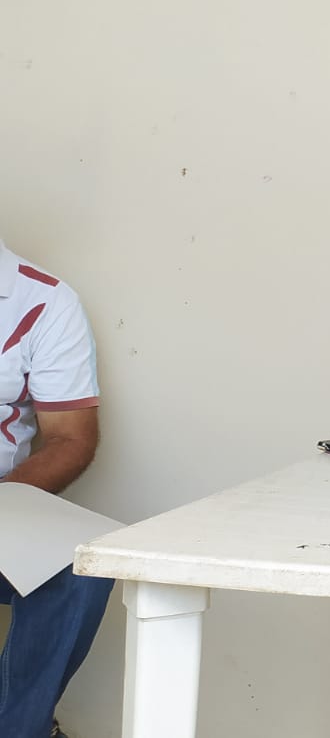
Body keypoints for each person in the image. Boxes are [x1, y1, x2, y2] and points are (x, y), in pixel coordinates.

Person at [0, 239, 115, 738]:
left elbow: (71, 439)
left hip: (3, 504)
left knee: (81, 568)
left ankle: (19, 728)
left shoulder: (43, 301)